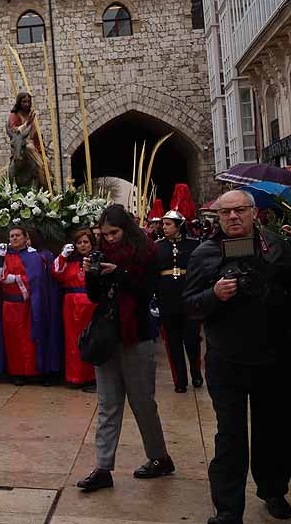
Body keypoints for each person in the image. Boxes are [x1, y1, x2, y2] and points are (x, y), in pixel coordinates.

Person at [184, 190, 291, 524]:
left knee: (271, 430)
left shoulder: (275, 247)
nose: (233, 217)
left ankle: (273, 490)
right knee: (230, 435)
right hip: (226, 359)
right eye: (225, 212)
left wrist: (270, 290)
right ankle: (229, 509)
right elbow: (190, 304)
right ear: (217, 217)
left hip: (272, 357)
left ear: (254, 212)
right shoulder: (205, 253)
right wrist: (214, 295)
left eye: (240, 211)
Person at [76, 204, 173, 493]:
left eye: (114, 233)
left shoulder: (147, 251)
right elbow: (95, 296)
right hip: (107, 336)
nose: (109, 239)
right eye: (104, 234)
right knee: (107, 404)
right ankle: (103, 467)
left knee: (143, 402)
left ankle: (159, 457)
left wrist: (118, 272)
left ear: (126, 229)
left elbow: (147, 290)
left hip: (137, 333)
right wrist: (92, 274)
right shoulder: (101, 252)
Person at [0, 226, 61, 384]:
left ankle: (32, 371)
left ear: (25, 237)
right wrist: (0, 260)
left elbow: (36, 279)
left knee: (29, 340)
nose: (14, 238)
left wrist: (15, 279)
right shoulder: (3, 254)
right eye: (11, 236)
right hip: (9, 305)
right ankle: (17, 372)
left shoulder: (33, 256)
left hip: (28, 305)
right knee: (12, 339)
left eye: (17, 235)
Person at [154, 210, 202, 394]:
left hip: (189, 297)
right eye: (163, 224)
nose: (164, 227)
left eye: (168, 224)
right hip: (167, 299)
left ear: (178, 225)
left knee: (192, 339)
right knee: (172, 342)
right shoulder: (157, 246)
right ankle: (180, 380)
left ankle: (196, 371)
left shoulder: (193, 244)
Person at [51, 228, 98, 390]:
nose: (83, 245)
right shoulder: (69, 260)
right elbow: (56, 272)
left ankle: (91, 376)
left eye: (86, 242)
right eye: (79, 242)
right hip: (71, 304)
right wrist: (63, 255)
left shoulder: (96, 259)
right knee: (72, 340)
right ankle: (74, 376)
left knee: (91, 339)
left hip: (91, 303)